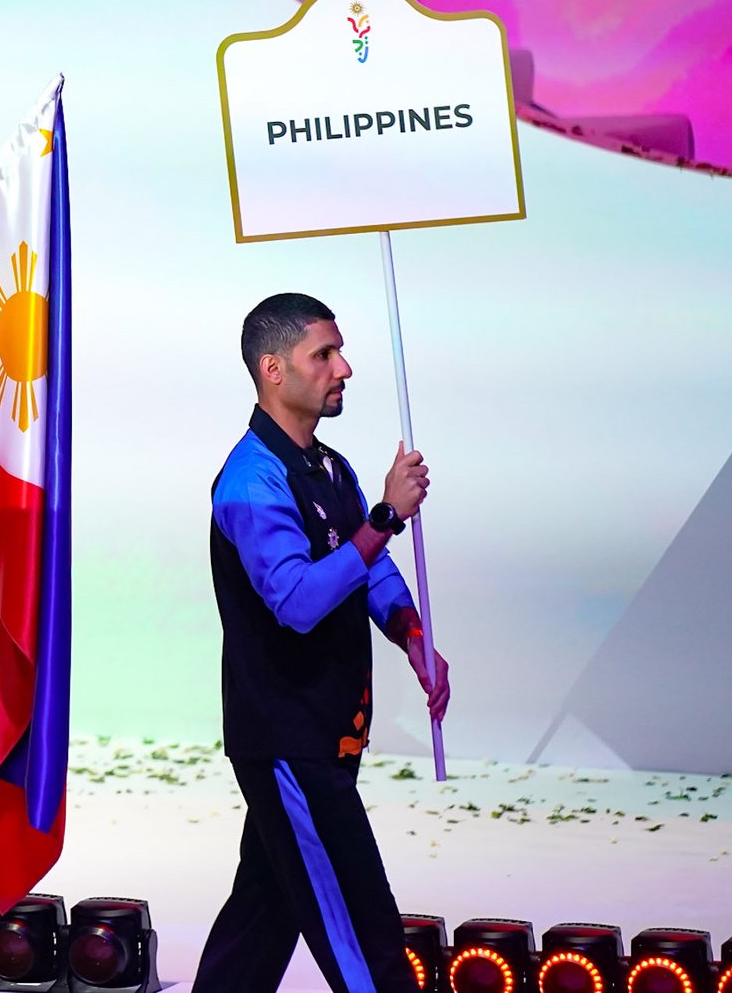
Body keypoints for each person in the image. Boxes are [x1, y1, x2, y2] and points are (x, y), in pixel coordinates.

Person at [193, 293, 451, 993]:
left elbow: (372, 570)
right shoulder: (251, 480)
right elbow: (299, 601)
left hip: (330, 736)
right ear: (274, 369)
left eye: (339, 350)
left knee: (263, 914)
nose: (345, 367)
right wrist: (387, 515)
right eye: (324, 354)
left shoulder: (330, 469)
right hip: (288, 741)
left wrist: (411, 631)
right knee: (363, 931)